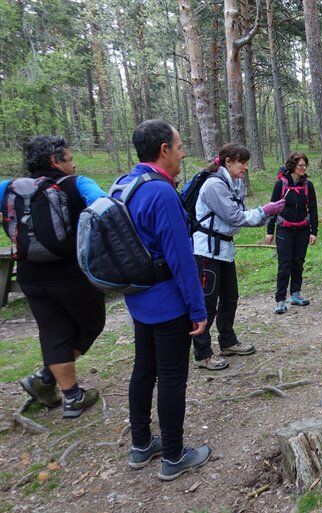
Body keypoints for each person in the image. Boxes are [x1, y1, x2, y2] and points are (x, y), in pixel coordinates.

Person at [115, 120, 210, 481]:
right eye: (180, 145)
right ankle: (173, 454)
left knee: (144, 369)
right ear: (164, 150)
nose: (183, 153)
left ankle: (141, 445)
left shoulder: (124, 184)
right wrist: (197, 309)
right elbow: (181, 259)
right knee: (171, 377)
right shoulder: (161, 193)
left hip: (138, 298)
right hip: (168, 302)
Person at [0, 136, 106, 418]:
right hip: (71, 273)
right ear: (55, 161)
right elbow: (105, 206)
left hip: (30, 274)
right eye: (69, 159)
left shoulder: (9, 188)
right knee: (92, 323)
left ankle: (68, 394)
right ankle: (49, 379)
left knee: (53, 331)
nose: (73, 164)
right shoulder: (77, 184)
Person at [191, 144, 284, 371]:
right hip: (206, 253)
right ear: (227, 162)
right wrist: (265, 211)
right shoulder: (214, 185)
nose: (245, 167)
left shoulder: (234, 184)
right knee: (207, 303)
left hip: (225, 250)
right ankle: (202, 354)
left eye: (246, 162)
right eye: (241, 162)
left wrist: (266, 215)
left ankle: (228, 341)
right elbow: (234, 217)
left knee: (230, 297)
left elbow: (240, 215)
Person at [266, 153, 318, 315]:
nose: (303, 168)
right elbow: (272, 208)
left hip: (302, 229)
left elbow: (313, 209)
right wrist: (270, 231)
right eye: (300, 165)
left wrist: (313, 231)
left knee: (298, 262)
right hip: (284, 229)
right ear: (292, 166)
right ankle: (280, 300)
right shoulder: (280, 185)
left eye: (305, 165)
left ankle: (295, 294)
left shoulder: (308, 185)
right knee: (284, 265)